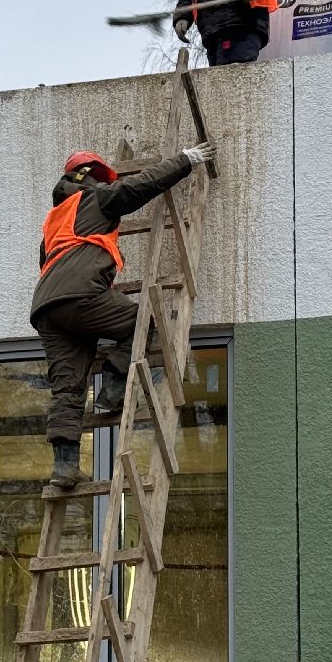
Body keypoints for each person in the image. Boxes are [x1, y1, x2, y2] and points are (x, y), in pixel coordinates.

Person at [31, 143, 217, 487]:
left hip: (46, 308)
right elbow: (138, 187)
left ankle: (64, 468)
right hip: (80, 295)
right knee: (143, 322)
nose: (106, 186)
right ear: (91, 178)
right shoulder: (94, 198)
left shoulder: (54, 219)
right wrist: (184, 161)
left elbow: (52, 261)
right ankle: (113, 389)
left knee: (67, 387)